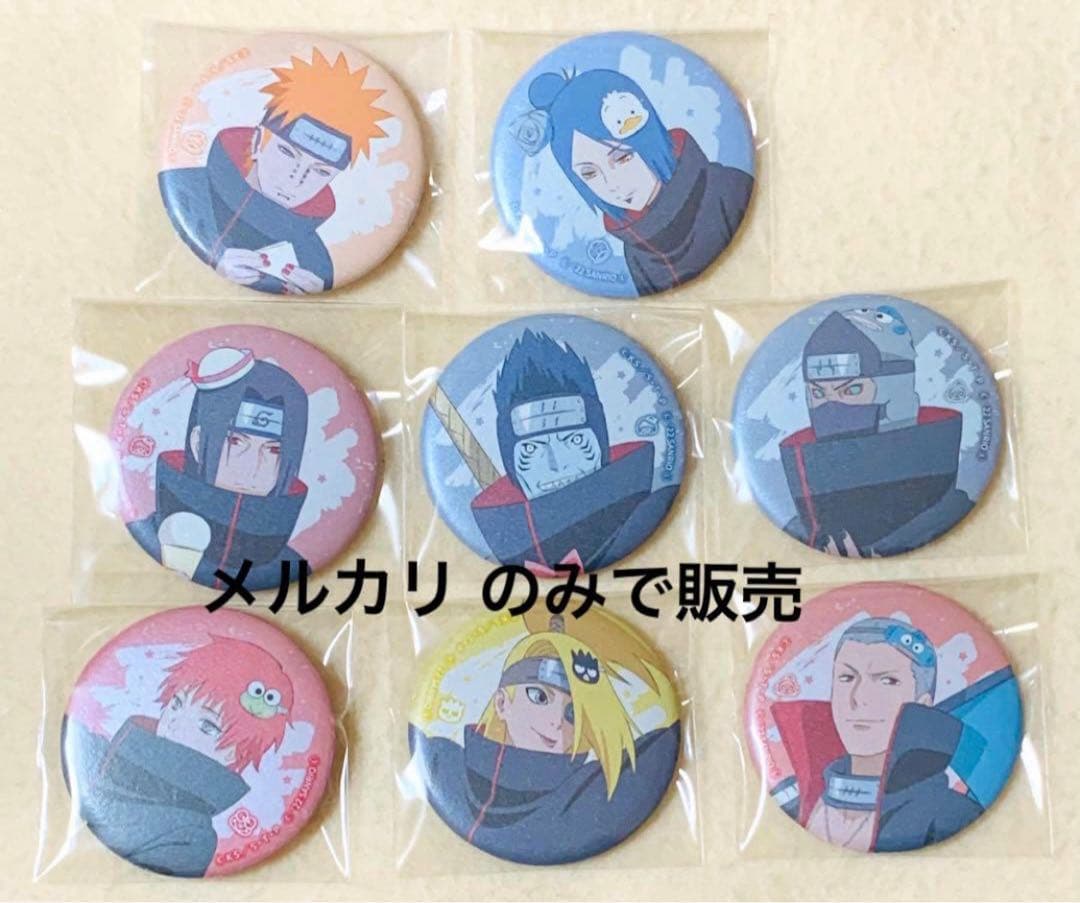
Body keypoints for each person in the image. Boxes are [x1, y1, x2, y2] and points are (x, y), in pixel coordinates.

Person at [409, 611, 680, 864]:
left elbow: (659, 743)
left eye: (573, 713)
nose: (555, 721)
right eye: (538, 697)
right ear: (502, 703)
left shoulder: (595, 794)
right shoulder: (441, 760)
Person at [159, 48, 393, 294]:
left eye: (321, 172)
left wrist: (312, 291)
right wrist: (215, 257)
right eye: (287, 153)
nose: (296, 179)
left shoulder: (313, 259)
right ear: (258, 142)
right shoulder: (183, 189)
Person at [63, 637, 293, 877]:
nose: (175, 722)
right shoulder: (98, 750)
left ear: (236, 755)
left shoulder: (191, 836)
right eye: (177, 703)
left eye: (207, 726)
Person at [518, 68, 753, 295]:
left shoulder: (726, 188)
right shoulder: (635, 248)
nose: (612, 185)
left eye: (622, 158)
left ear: (648, 137)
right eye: (589, 174)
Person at [769, 618, 984, 852]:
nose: (859, 697)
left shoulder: (950, 814)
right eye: (847, 677)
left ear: (922, 705)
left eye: (887, 681)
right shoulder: (792, 798)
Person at [470, 329, 677, 571]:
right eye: (531, 449)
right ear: (511, 466)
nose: (556, 464)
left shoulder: (645, 510)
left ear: (602, 444)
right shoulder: (507, 538)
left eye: (575, 440)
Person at [778, 304, 973, 556]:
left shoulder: (942, 512)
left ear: (896, 392)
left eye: (852, 389)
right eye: (817, 392)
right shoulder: (805, 525)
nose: (831, 406)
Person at [127, 347, 309, 589]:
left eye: (274, 450)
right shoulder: (147, 538)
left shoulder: (292, 566)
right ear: (197, 442)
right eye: (235, 442)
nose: (252, 467)